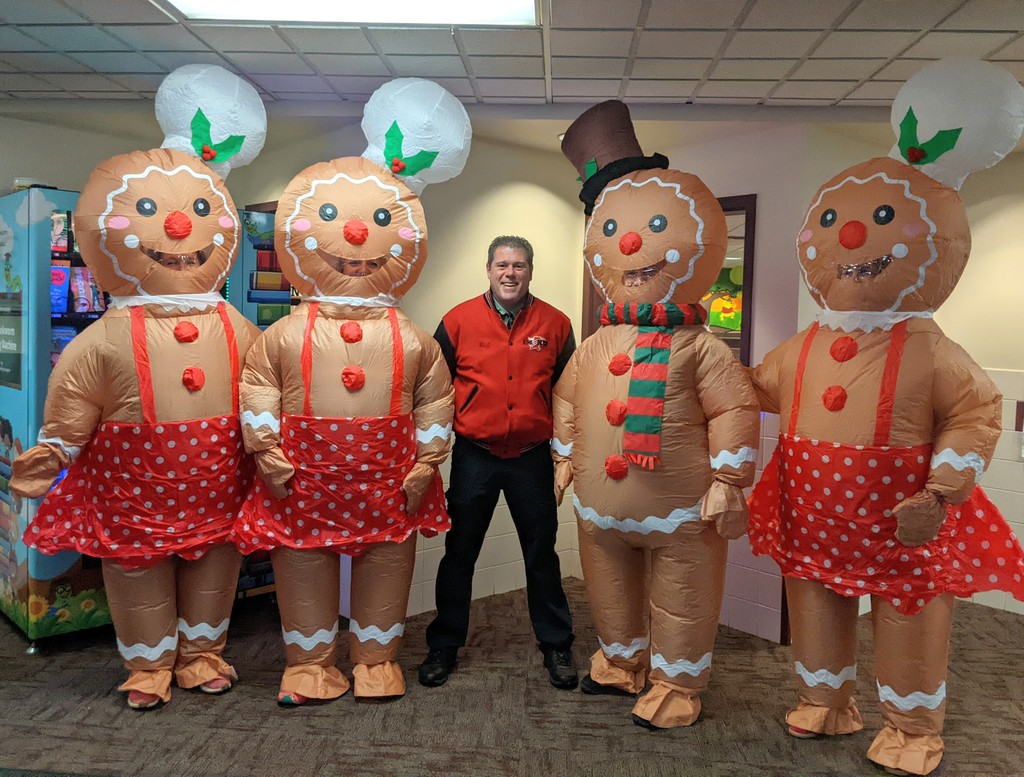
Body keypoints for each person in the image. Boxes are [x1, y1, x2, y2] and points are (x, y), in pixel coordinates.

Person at [419, 235, 578, 689]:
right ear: (488, 270)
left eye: (520, 265)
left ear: (531, 271)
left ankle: (557, 646)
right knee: (459, 554)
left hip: (532, 459)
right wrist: (429, 449)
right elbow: (433, 389)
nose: (511, 273)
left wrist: (567, 451)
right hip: (476, 457)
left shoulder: (556, 323)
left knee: (541, 555)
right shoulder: (457, 320)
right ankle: (443, 646)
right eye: (503, 265)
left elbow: (569, 394)